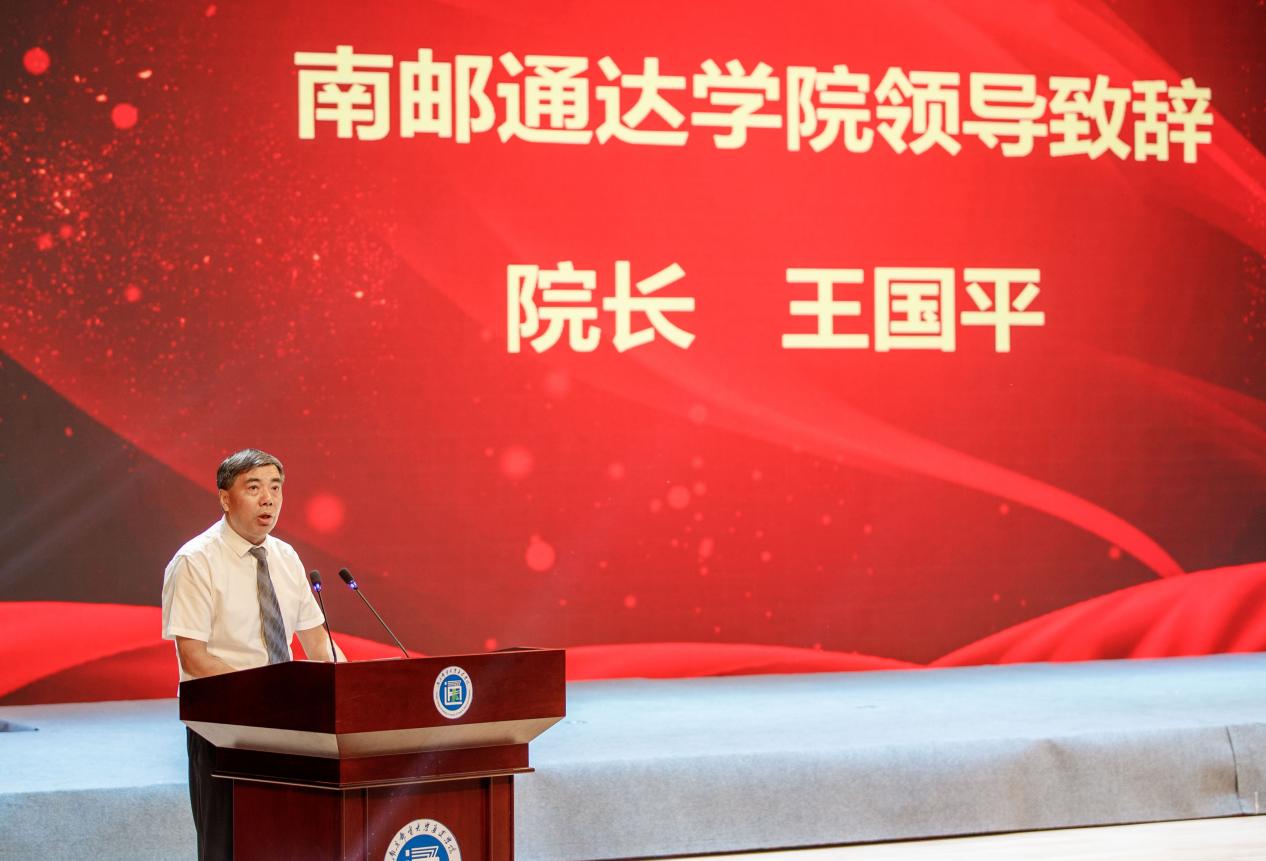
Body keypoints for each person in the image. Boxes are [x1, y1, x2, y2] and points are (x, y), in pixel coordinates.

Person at [160, 448, 341, 861]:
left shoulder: (286, 557)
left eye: (275, 488)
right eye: (254, 488)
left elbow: (318, 642)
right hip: (224, 726)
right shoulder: (195, 561)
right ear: (225, 499)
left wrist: (349, 687)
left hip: (290, 725)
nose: (268, 499)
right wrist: (264, 696)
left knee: (290, 840)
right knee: (228, 845)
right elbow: (193, 657)